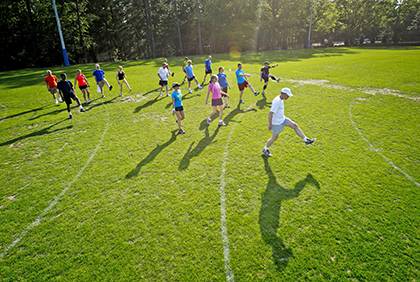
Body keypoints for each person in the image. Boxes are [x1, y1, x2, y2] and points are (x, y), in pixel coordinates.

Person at [262, 87, 315, 157]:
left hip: (283, 119)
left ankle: (306, 140)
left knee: (295, 125)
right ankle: (265, 149)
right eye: (288, 95)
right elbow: (270, 113)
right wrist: (270, 125)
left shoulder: (281, 98)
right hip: (277, 123)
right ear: (283, 94)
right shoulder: (277, 101)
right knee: (274, 138)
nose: (288, 97)